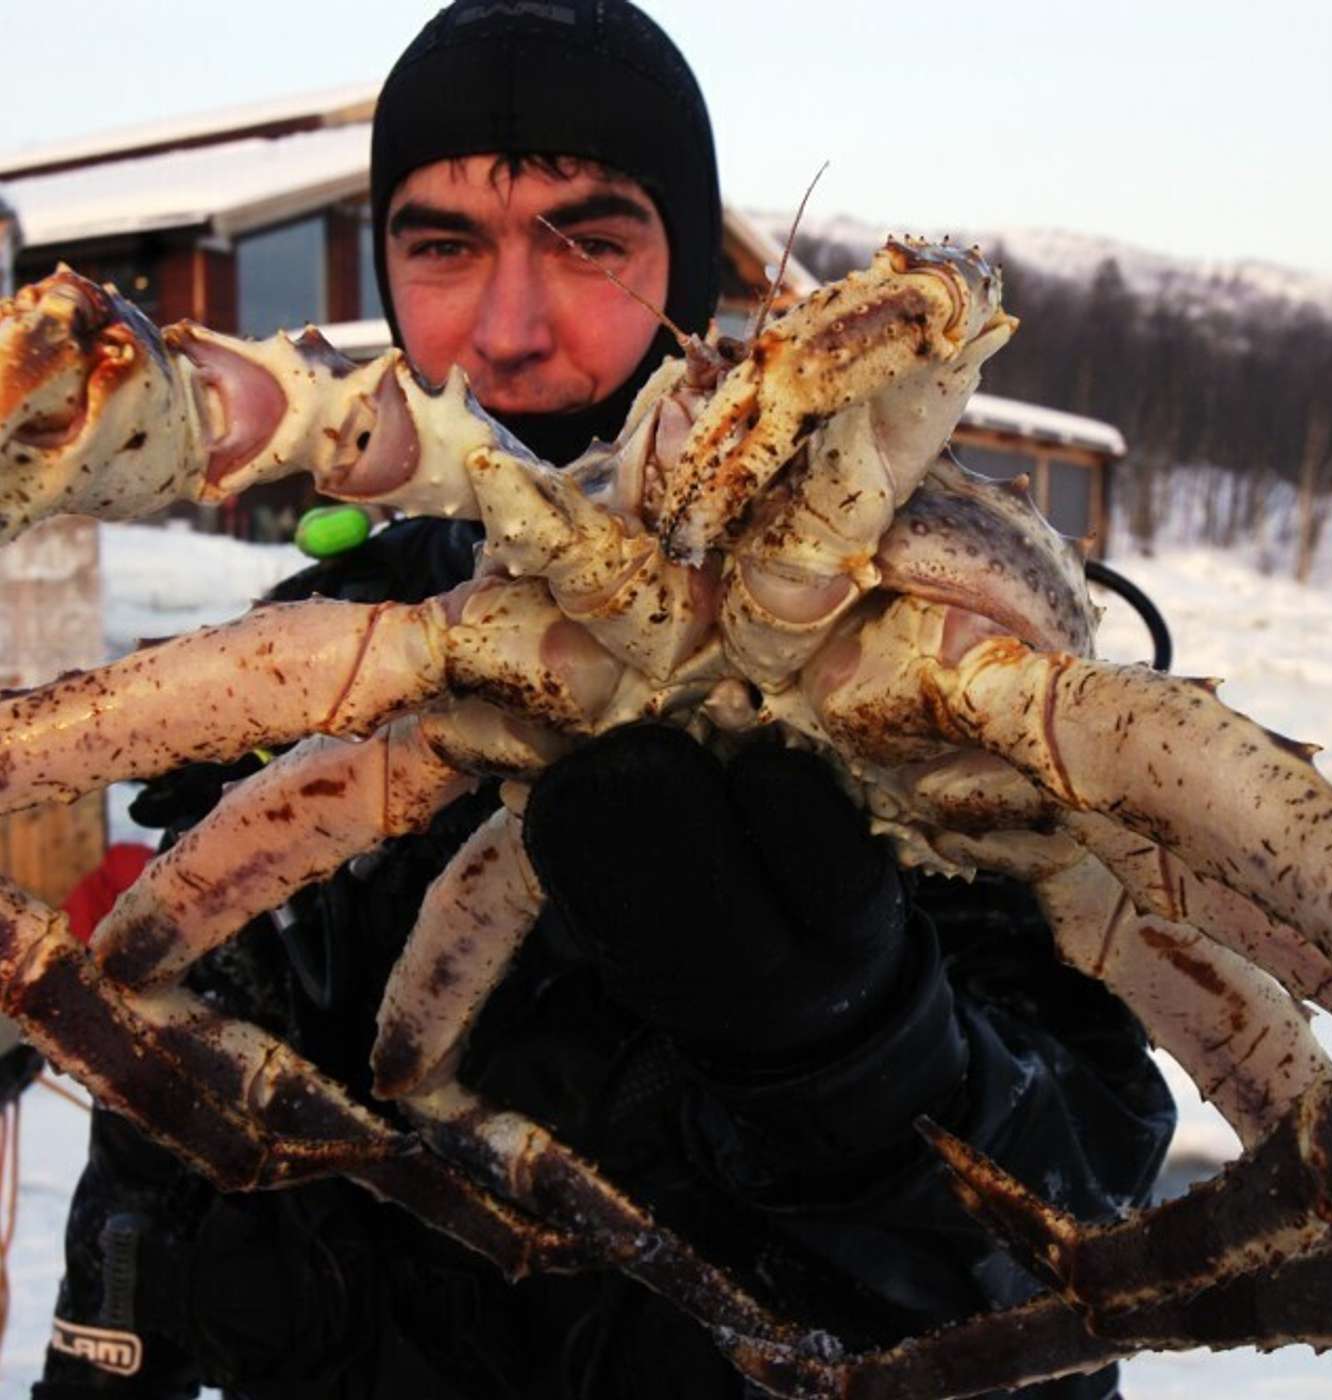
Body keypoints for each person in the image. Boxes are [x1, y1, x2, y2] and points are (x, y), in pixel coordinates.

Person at [35, 5, 1175, 1399]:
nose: (507, 334)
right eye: (443, 246)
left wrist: (852, 1041)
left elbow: (1094, 1247)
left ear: (685, 264)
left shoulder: (949, 655)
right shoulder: (309, 668)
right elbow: (147, 1149)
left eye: (590, 241)